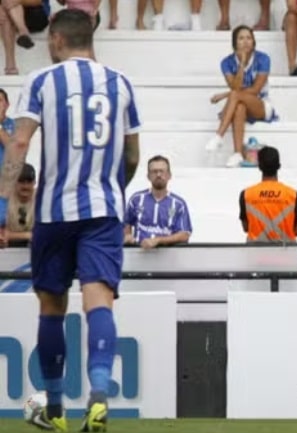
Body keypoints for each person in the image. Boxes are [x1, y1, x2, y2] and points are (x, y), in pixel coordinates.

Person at [0, 9, 141, 432]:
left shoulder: (41, 81)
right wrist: (111, 188)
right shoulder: (120, 83)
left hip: (54, 211)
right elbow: (133, 155)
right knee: (99, 298)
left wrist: (4, 207)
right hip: (103, 210)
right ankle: (99, 392)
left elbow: (20, 142)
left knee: (52, 306)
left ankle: (57, 408)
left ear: (57, 39)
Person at [206, 26, 278, 168]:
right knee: (239, 107)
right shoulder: (226, 62)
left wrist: (224, 95)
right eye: (241, 38)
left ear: (254, 41)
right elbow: (235, 87)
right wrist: (242, 65)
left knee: (235, 97)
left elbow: (256, 89)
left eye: (249, 38)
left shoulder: (263, 59)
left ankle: (219, 135)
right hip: (239, 102)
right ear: (234, 43)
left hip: (261, 104)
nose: (245, 42)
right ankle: (237, 153)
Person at [124, 155, 192, 248]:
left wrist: (158, 240)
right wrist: (127, 236)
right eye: (154, 171)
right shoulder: (136, 199)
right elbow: (125, 223)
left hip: (168, 258)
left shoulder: (179, 204)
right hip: (139, 256)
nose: (158, 175)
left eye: (162, 171)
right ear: (148, 176)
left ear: (169, 175)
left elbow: (185, 235)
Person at [239, 146, 297, 242]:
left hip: (255, 254)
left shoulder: (246, 194)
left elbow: (246, 228)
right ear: (279, 166)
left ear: (259, 166)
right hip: (287, 254)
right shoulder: (292, 194)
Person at [3, 162, 34, 247]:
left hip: (33, 247)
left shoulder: (41, 199)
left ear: (34, 182)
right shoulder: (4, 199)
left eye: (29, 182)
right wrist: (28, 235)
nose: (25, 186)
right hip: (7, 249)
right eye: (21, 181)